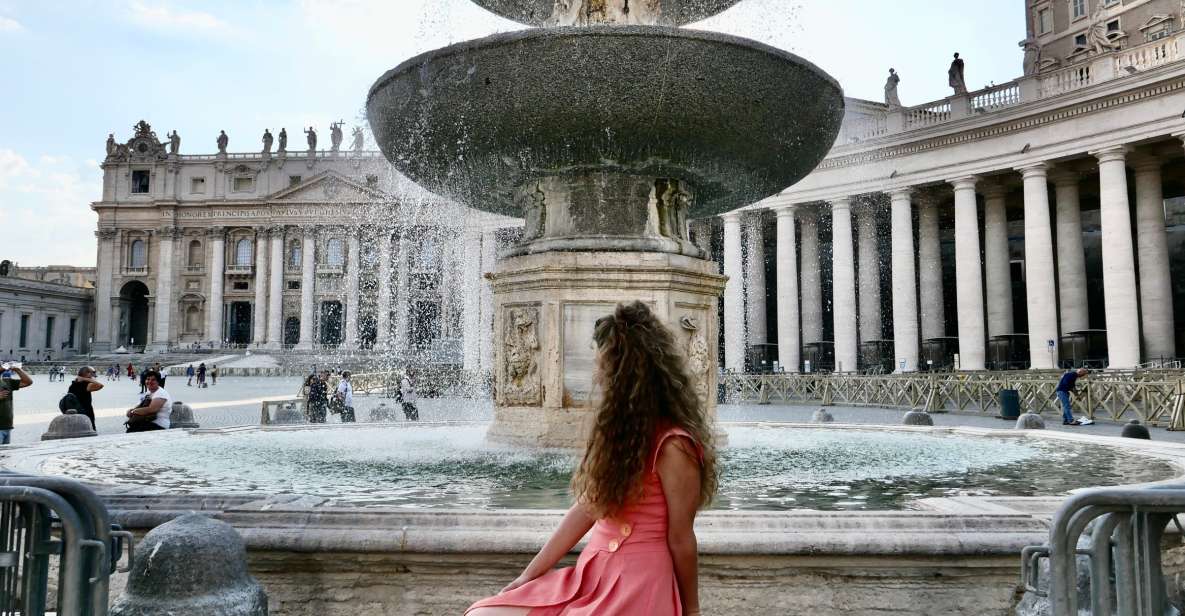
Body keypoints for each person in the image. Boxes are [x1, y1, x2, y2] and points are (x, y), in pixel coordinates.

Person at [467, 302, 716, 616]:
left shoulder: (674, 446)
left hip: (640, 585)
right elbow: (587, 507)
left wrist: (692, 611)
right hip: (592, 577)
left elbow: (681, 538)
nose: (597, 375)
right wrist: (529, 575)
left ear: (627, 377)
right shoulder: (621, 431)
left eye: (603, 367)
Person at [0, 363, 34, 445]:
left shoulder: (7, 381)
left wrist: (18, 369)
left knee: (5, 455)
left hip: (7, 426)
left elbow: (28, 382)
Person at [68, 366, 104, 431]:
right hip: (86, 411)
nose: (93, 377)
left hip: (75, 410)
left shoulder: (73, 384)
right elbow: (100, 385)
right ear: (87, 374)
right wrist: (86, 379)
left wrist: (82, 378)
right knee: (89, 429)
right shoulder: (87, 385)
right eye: (92, 374)